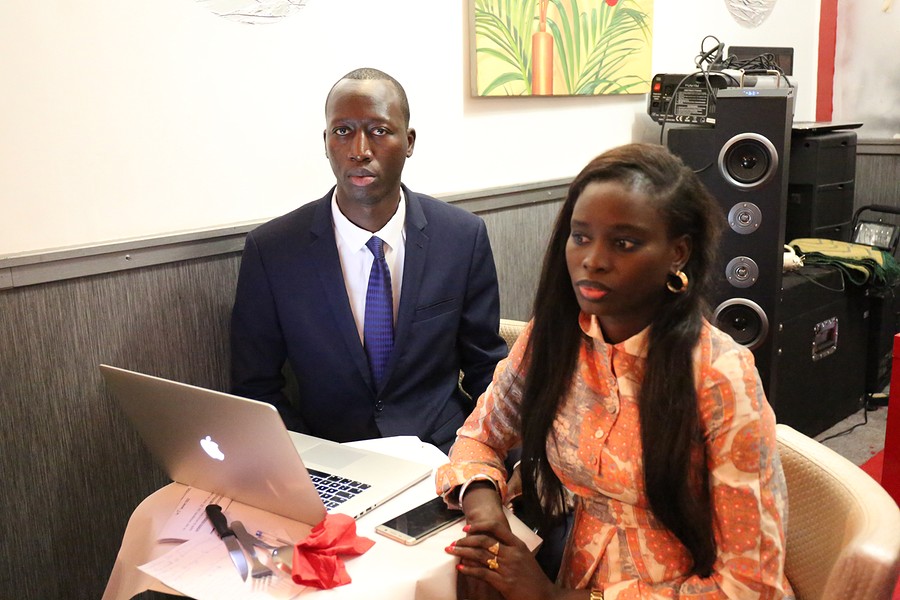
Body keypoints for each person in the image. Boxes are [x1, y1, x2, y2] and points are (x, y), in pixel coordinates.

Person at [437, 143, 794, 599]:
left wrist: (551, 597)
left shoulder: (718, 375)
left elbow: (750, 586)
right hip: (570, 566)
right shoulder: (556, 337)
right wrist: (485, 510)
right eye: (581, 236)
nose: (594, 259)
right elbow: (479, 437)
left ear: (677, 254)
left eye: (623, 243)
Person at [230, 68, 507, 455]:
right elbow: (255, 388)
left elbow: (486, 367)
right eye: (342, 131)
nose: (359, 150)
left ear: (408, 142)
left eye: (378, 130)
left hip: (444, 450)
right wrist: (308, 462)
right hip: (332, 457)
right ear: (326, 142)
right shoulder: (273, 251)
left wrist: (492, 457)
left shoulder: (461, 237)